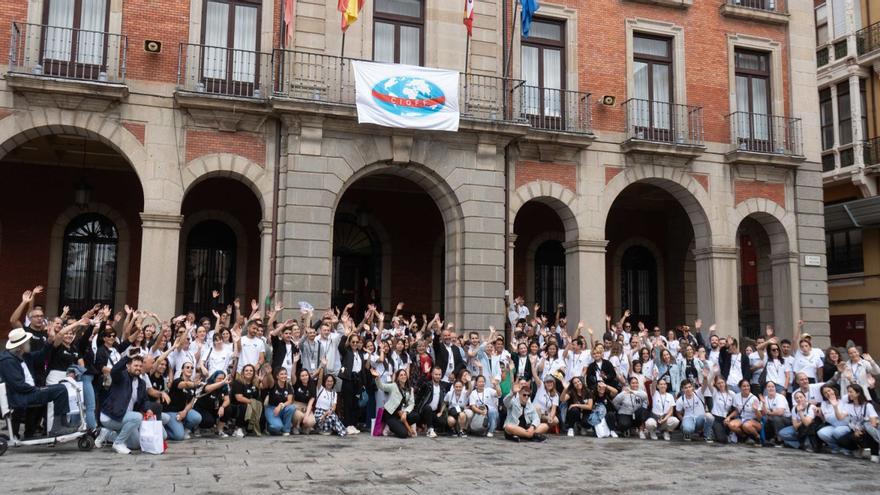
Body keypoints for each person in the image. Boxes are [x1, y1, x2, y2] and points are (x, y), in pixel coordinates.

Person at [0, 327, 75, 437]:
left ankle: (60, 425)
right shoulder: (8, 361)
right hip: (22, 396)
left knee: (61, 388)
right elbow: (18, 385)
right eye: (27, 342)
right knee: (60, 389)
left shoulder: (22, 355)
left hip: (27, 392)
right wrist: (37, 389)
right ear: (21, 346)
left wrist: (49, 341)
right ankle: (58, 427)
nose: (29, 343)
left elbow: (41, 355)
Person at [95, 350, 147, 454]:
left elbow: (144, 401)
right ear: (128, 366)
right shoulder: (122, 376)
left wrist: (148, 409)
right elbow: (114, 370)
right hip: (111, 416)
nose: (138, 368)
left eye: (140, 366)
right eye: (135, 365)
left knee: (135, 444)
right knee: (137, 417)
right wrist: (127, 357)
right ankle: (118, 443)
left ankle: (107, 434)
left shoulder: (142, 383)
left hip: (124, 419)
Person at [837, 385, 880, 463]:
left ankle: (875, 454)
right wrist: (835, 407)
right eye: (848, 392)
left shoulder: (868, 405)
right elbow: (840, 418)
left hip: (867, 432)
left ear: (858, 393)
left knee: (869, 429)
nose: (849, 394)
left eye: (851, 392)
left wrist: (861, 429)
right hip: (855, 431)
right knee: (841, 441)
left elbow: (873, 423)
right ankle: (858, 449)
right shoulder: (848, 406)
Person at [164, 360, 203, 441]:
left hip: (182, 411)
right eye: (187, 367)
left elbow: (191, 402)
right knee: (179, 437)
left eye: (192, 368)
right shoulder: (177, 381)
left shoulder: (192, 384)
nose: (190, 369)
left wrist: (184, 411)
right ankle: (164, 431)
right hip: (171, 411)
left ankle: (184, 429)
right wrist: (195, 384)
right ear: (182, 370)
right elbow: (185, 384)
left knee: (197, 417)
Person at [193, 370, 231, 437]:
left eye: (223, 378)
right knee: (209, 421)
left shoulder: (224, 387)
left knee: (227, 408)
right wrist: (222, 382)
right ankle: (197, 428)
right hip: (201, 409)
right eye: (219, 378)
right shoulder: (208, 384)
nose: (221, 380)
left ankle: (219, 430)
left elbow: (227, 400)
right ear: (214, 378)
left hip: (213, 408)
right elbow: (207, 389)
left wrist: (222, 407)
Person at [725, 379, 762, 445]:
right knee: (730, 424)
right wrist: (729, 417)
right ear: (740, 387)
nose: (746, 388)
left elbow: (760, 418)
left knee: (746, 425)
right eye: (744, 386)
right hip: (742, 418)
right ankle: (744, 436)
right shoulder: (736, 396)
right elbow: (737, 411)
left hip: (753, 420)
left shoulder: (754, 398)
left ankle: (757, 437)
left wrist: (756, 410)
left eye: (748, 386)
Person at [412, 367, 446, 438]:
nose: (438, 376)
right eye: (436, 374)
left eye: (439, 374)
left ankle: (430, 427)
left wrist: (441, 412)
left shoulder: (442, 387)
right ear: (432, 374)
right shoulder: (427, 385)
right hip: (423, 411)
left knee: (442, 422)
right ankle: (430, 429)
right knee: (428, 407)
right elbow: (418, 396)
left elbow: (444, 401)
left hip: (434, 413)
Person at [817, 385, 851, 454]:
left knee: (837, 431)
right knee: (821, 432)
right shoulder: (824, 404)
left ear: (833, 390)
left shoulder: (842, 400)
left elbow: (841, 417)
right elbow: (827, 419)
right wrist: (821, 415)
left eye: (829, 390)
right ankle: (836, 447)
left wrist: (835, 407)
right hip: (834, 426)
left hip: (847, 426)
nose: (828, 393)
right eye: (825, 393)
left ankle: (847, 448)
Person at [264, 368, 296, 436]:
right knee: (277, 427)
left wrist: (280, 405)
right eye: (281, 374)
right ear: (277, 376)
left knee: (292, 407)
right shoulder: (273, 384)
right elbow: (270, 381)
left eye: (285, 374)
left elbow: (289, 401)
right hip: (271, 408)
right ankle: (269, 427)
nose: (284, 376)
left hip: (282, 408)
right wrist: (269, 373)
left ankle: (286, 429)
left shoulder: (288, 386)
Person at [761, 381, 791, 447]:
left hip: (786, 419)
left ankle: (780, 440)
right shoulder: (765, 399)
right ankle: (768, 439)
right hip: (772, 418)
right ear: (766, 389)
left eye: (772, 387)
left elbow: (780, 412)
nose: (771, 388)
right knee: (764, 419)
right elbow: (763, 413)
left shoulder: (780, 397)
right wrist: (763, 403)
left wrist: (768, 412)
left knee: (776, 418)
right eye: (769, 387)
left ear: (775, 388)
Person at [292, 369, 317, 434]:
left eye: (306, 375)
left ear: (308, 375)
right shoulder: (296, 383)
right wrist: (294, 363)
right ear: (299, 377)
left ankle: (304, 427)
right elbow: (292, 374)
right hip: (296, 405)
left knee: (311, 421)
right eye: (302, 376)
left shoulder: (312, 385)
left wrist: (306, 416)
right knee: (298, 415)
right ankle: (295, 427)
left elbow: (310, 403)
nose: (305, 377)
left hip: (306, 406)